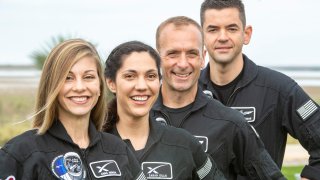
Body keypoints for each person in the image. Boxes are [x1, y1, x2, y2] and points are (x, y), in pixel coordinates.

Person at [151, 16, 286, 179]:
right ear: (157, 58)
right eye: (173, 54)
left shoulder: (231, 123)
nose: (183, 63)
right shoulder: (135, 119)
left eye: (192, 54)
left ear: (203, 57)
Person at [199, 0, 320, 179]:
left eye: (232, 28)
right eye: (213, 29)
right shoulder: (186, 92)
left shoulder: (280, 90)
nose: (222, 37)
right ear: (201, 36)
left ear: (246, 34)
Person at [0, 39, 146, 180]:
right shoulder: (21, 152)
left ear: (100, 87)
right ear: (52, 86)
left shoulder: (118, 149)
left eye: (88, 77)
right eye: (68, 78)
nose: (79, 87)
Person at [103, 40, 225, 179]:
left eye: (151, 76)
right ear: (111, 83)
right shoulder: (92, 145)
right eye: (130, 76)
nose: (142, 86)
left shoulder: (183, 143)